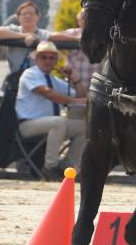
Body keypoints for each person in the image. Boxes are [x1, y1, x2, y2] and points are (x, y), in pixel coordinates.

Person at [16, 41, 87, 178]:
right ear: (37, 59)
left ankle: (67, 166)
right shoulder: (30, 74)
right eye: (43, 57)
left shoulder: (53, 80)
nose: (48, 61)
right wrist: (74, 101)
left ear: (55, 61)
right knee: (59, 122)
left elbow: (80, 95)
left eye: (51, 58)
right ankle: (50, 167)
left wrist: (75, 79)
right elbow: (46, 92)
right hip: (27, 125)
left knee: (83, 127)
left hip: (51, 125)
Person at [0, 1, 69, 73]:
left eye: (31, 13)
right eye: (24, 14)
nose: (28, 16)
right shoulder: (14, 30)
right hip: (14, 77)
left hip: (37, 78)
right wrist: (25, 36)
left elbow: (56, 35)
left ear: (38, 16)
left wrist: (74, 38)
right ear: (18, 17)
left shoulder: (41, 33)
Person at [60, 9, 97, 98]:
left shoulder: (101, 35)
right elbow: (52, 37)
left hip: (96, 90)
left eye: (90, 17)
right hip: (73, 88)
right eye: (83, 17)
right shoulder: (71, 33)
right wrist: (77, 39)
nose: (87, 20)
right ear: (78, 21)